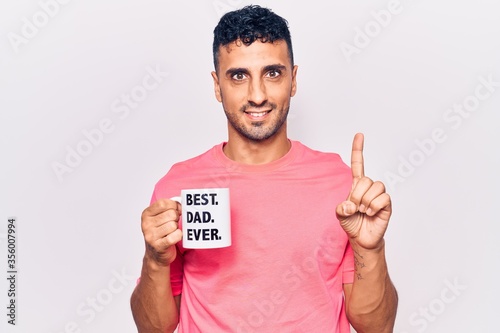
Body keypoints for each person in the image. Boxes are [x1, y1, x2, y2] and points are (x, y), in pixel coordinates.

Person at [130, 5, 398, 332]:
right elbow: (153, 328)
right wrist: (156, 261)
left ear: (293, 79)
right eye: (239, 76)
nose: (257, 95)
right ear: (217, 86)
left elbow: (377, 326)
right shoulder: (177, 188)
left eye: (272, 73)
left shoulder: (340, 185)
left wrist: (371, 248)